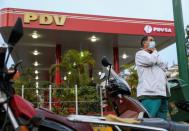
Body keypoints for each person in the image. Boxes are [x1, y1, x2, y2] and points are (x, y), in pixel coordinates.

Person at [135, 35, 170, 120]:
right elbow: (150, 61)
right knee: (149, 121)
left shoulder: (155, 55)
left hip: (162, 93)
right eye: (151, 40)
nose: (153, 42)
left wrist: (154, 54)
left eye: (154, 40)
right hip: (150, 94)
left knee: (162, 122)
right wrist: (154, 52)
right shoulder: (140, 54)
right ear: (144, 43)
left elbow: (164, 65)